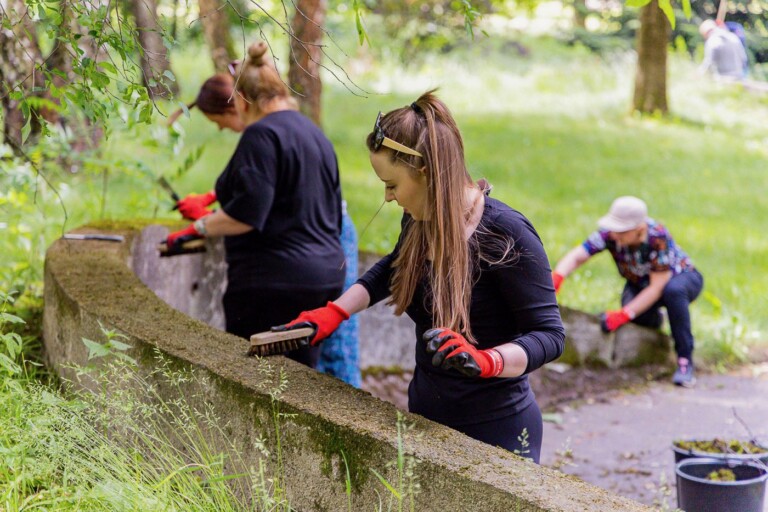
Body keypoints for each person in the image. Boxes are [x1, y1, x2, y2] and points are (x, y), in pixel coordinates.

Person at [273, 91, 565, 463]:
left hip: (497, 432)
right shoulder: (419, 218)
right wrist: (334, 313)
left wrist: (485, 360)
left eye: (392, 184)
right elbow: (392, 267)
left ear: (425, 170)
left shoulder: (507, 234)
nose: (388, 196)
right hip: (427, 417)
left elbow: (550, 336)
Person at [163, 41, 351, 374]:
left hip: (272, 283)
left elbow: (247, 214)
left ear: (243, 99)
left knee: (251, 379)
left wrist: (199, 228)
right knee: (300, 380)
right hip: (324, 278)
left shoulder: (261, 135)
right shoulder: (313, 133)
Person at [552, 196, 704, 388]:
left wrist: (624, 315)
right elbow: (577, 256)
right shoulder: (611, 235)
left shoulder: (657, 236)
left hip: (678, 279)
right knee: (637, 312)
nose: (615, 235)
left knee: (673, 293)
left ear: (639, 230)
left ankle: (684, 360)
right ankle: (657, 318)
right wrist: (558, 277)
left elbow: (657, 286)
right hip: (640, 283)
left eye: (622, 232)